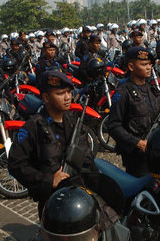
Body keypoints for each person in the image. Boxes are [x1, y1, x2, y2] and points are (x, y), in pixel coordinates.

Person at [8, 70, 98, 218]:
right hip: (51, 202)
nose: (68, 97)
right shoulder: (33, 127)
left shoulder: (74, 122)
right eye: (61, 93)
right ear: (46, 97)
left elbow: (87, 158)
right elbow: (16, 164)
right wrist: (49, 180)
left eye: (69, 92)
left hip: (80, 196)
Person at [106, 47, 160, 177]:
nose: (148, 67)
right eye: (143, 64)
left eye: (149, 64)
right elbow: (113, 125)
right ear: (131, 67)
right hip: (136, 155)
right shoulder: (123, 92)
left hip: (154, 151)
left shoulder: (151, 89)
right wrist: (137, 143)